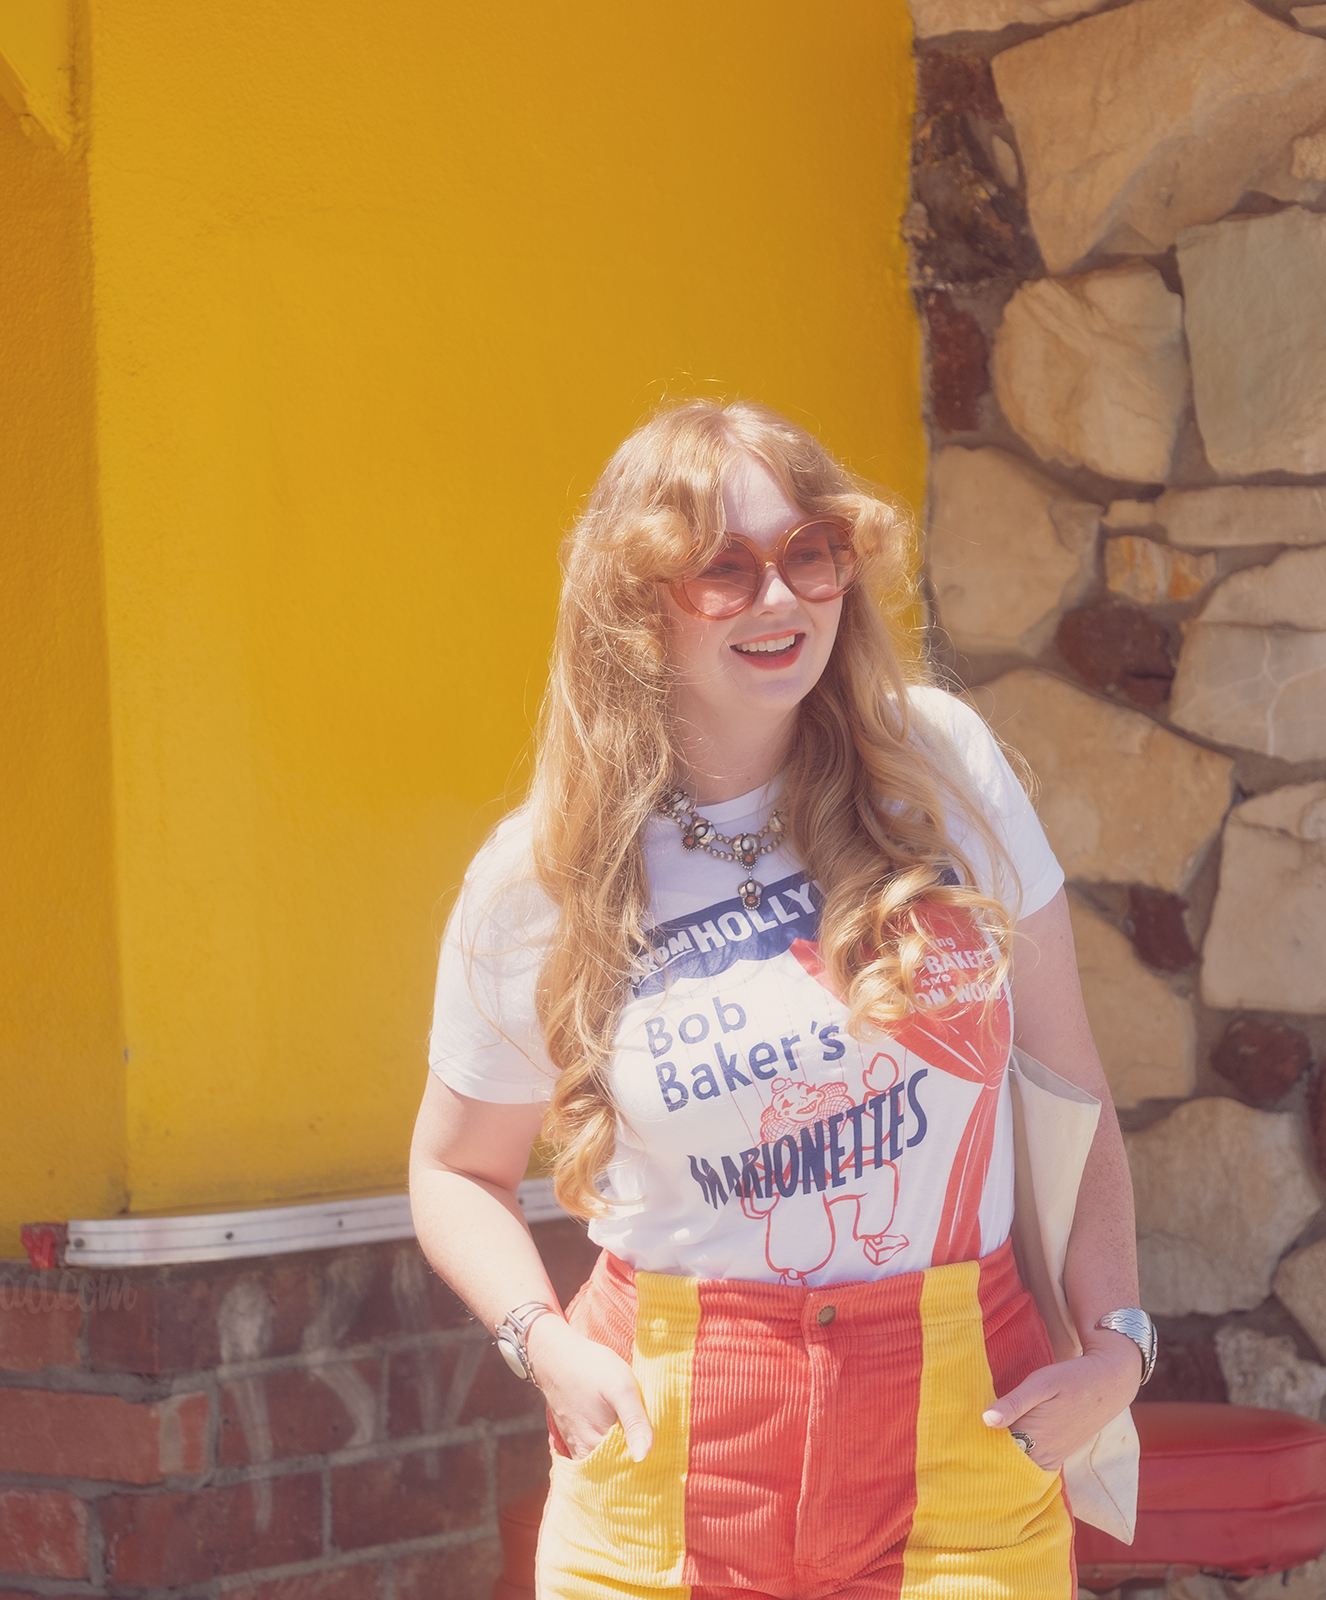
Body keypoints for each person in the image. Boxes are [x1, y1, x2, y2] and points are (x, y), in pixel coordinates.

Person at [410, 399, 1145, 1598]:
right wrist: (541, 1347)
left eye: (811, 552)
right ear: (639, 601)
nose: (780, 598)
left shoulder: (941, 766)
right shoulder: (542, 872)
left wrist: (1119, 1343)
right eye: (724, 568)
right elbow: (452, 1170)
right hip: (665, 1437)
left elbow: (1072, 1084)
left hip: (965, 1414)